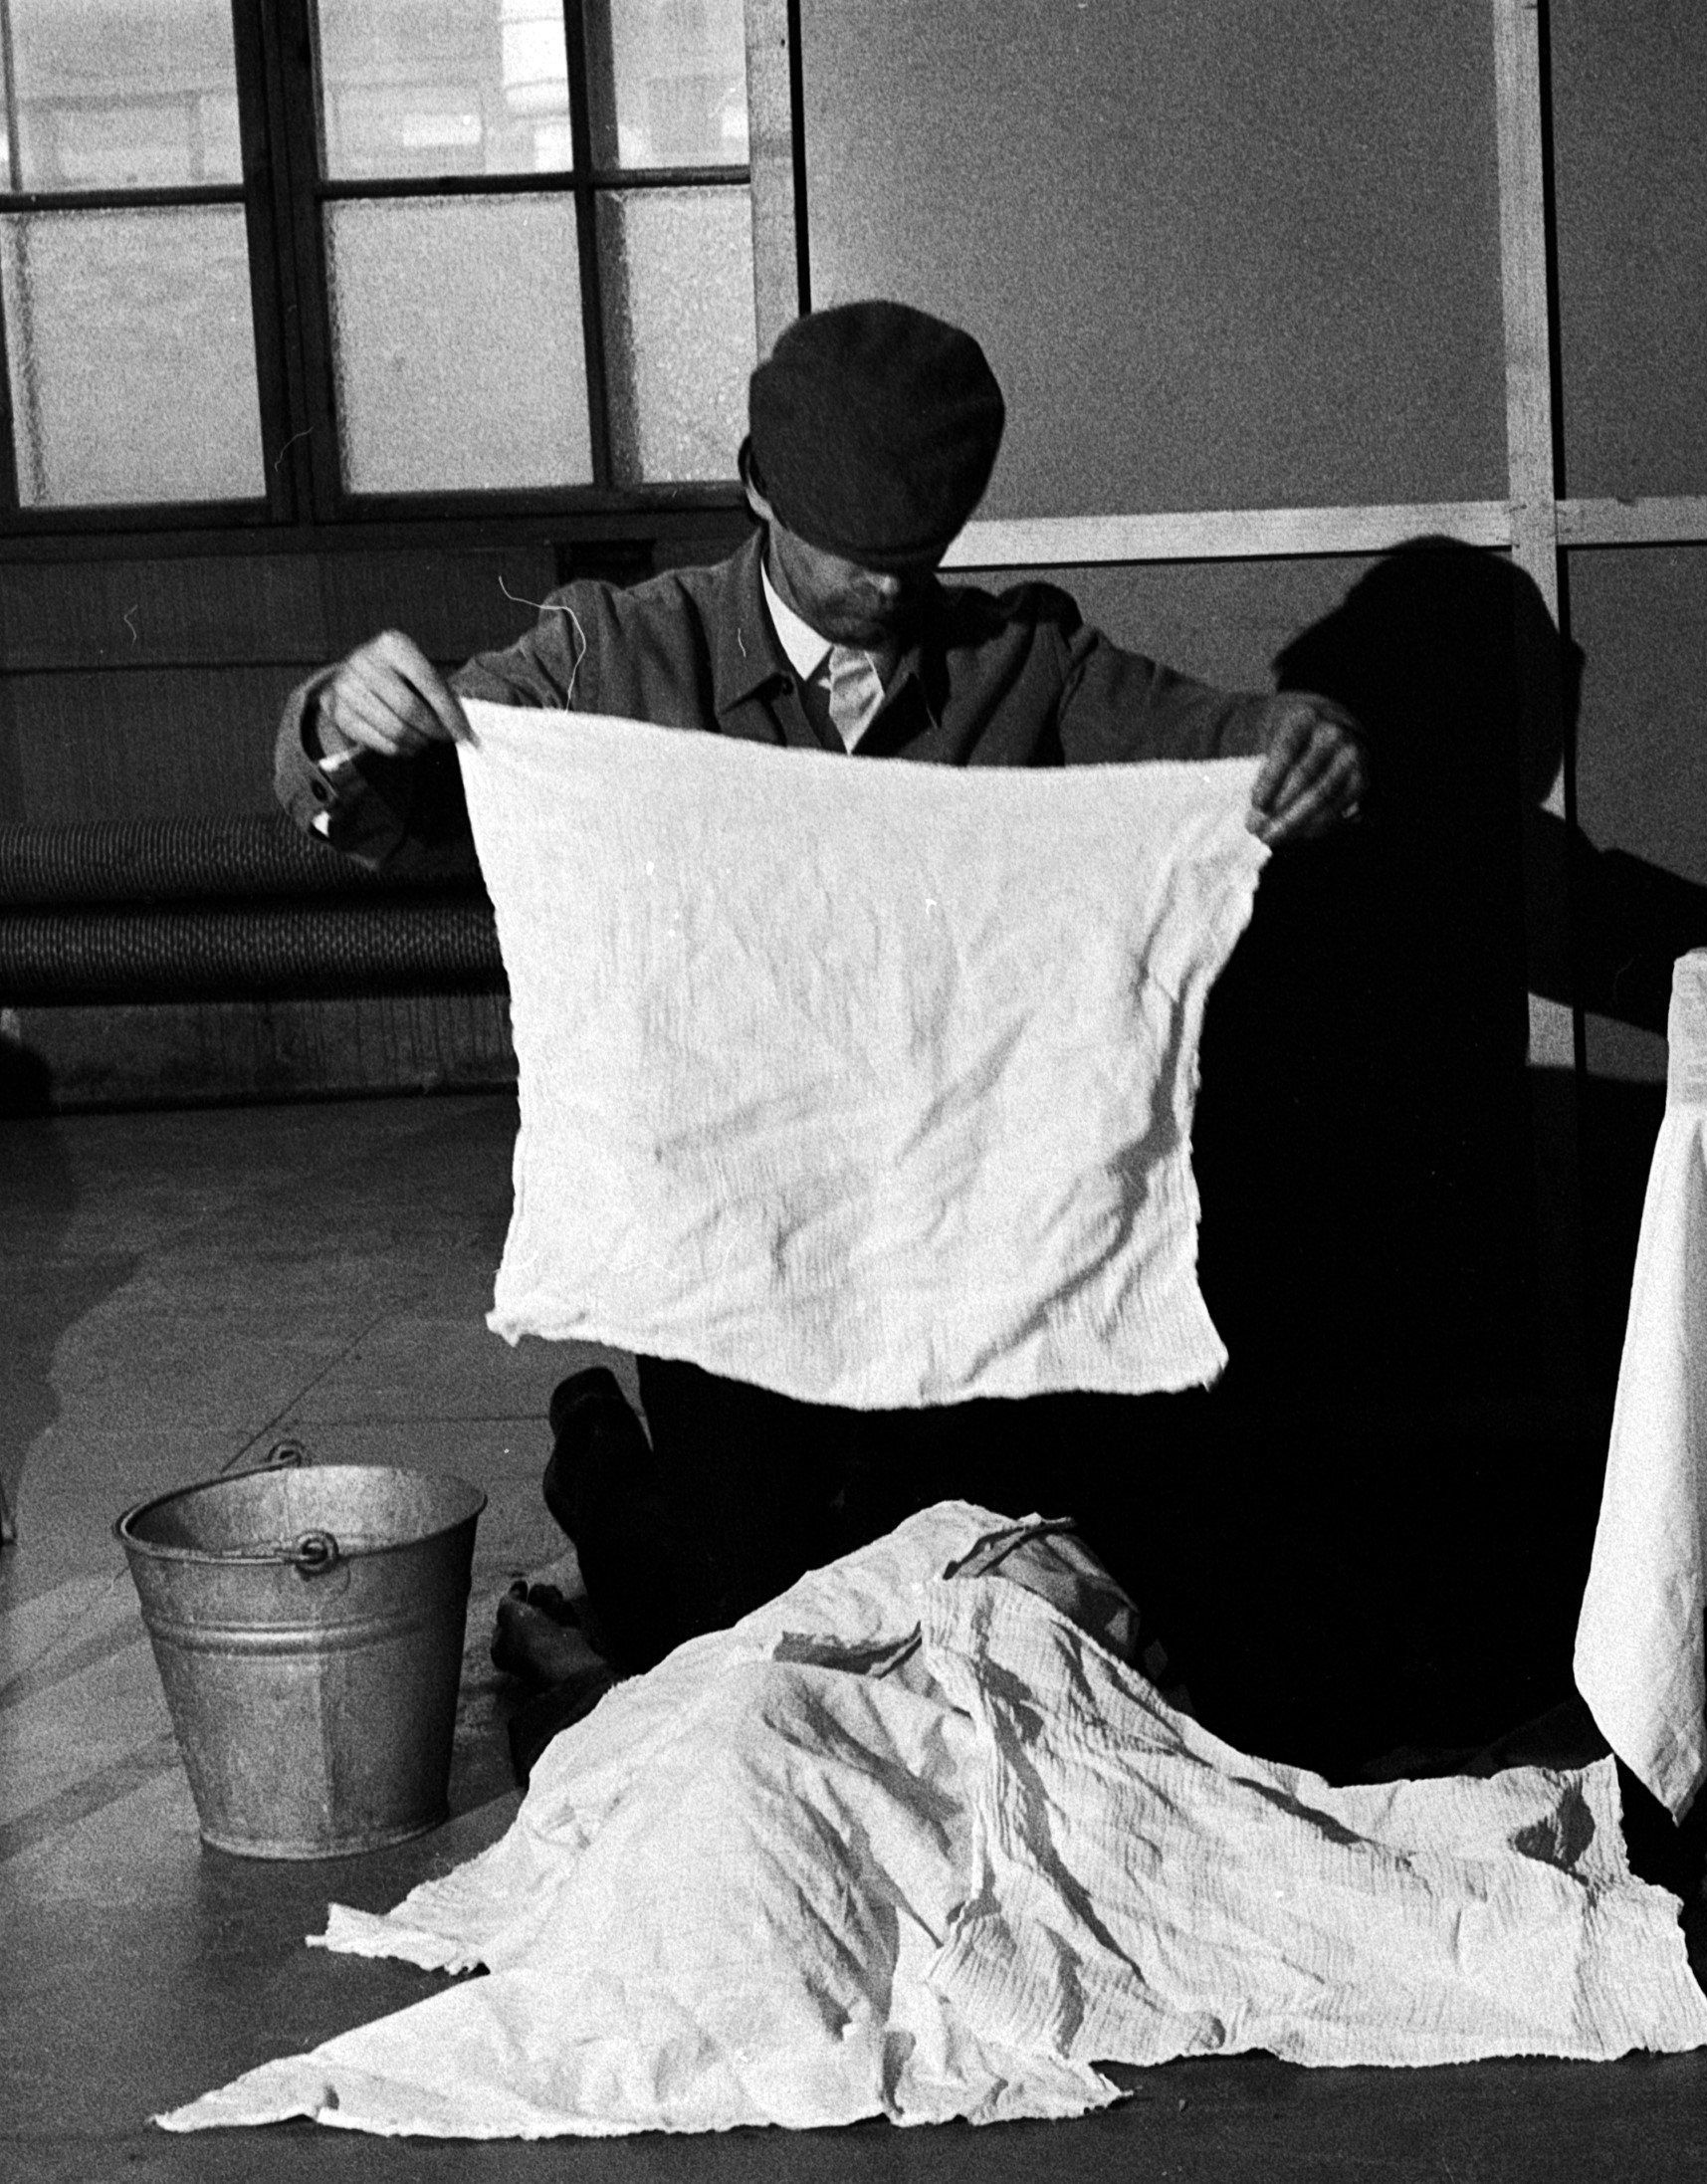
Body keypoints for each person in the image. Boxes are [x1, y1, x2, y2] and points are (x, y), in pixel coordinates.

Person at [273, 299, 1366, 1731]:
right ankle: (597, 1456)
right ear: (756, 490)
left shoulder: (1023, 659)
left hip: (951, 1224)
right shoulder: (614, 653)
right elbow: (401, 792)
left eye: (917, 557)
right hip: (724, 1232)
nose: (883, 588)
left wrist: (1301, 742)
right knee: (735, 1621)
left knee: (959, 1607)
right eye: (849, 555)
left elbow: (1210, 743)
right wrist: (343, 720)